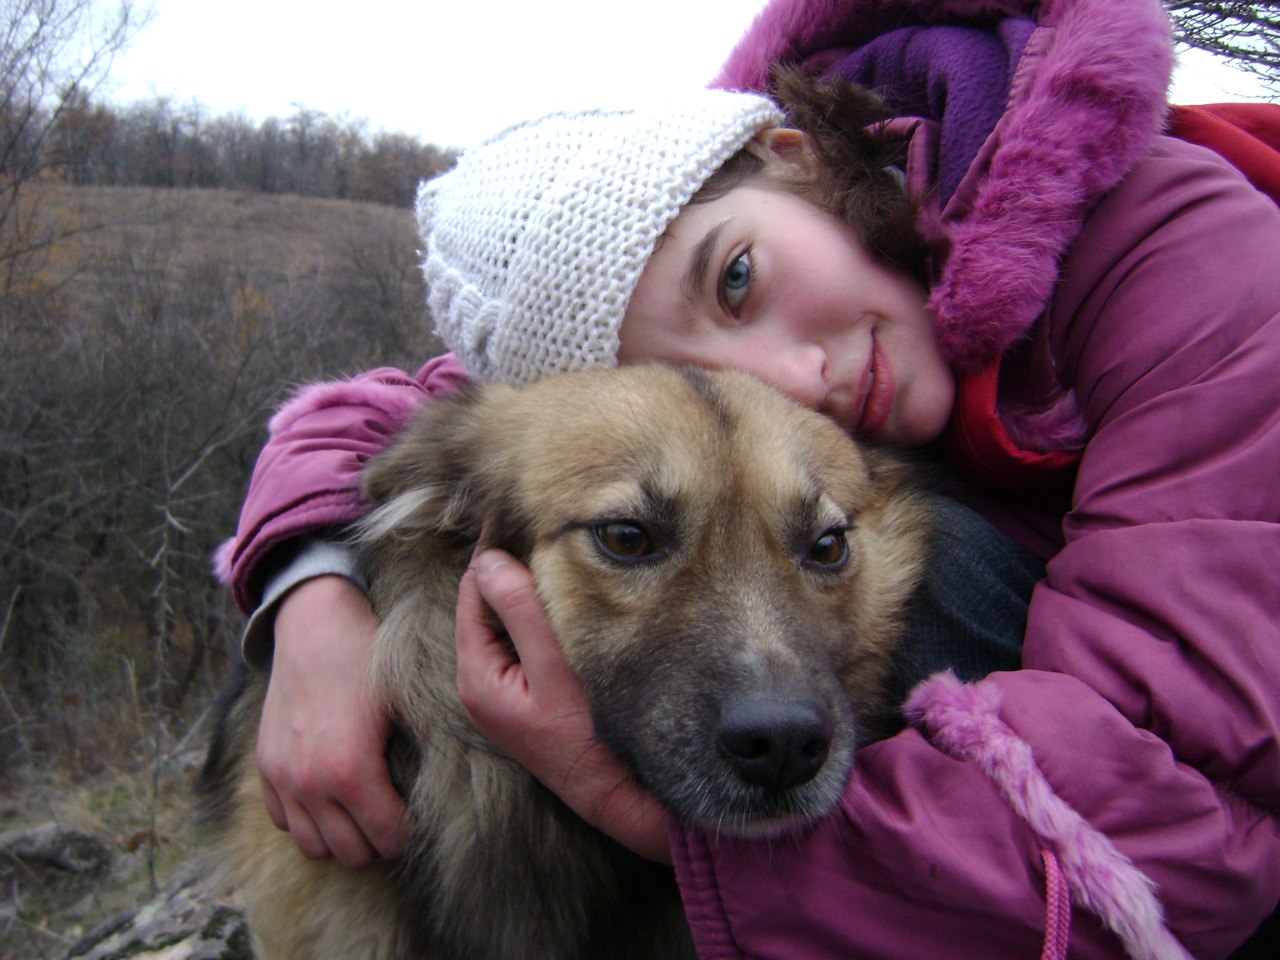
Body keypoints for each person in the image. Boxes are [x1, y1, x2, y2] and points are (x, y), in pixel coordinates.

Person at [216, 0, 1280, 956]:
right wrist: (310, 586)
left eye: (736, 278)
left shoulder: (1183, 256)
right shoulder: (804, 338)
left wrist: (633, 813)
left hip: (1197, 798)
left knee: (929, 561)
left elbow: (1194, 799)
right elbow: (410, 408)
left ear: (792, 159)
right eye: (690, 380)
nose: (791, 379)